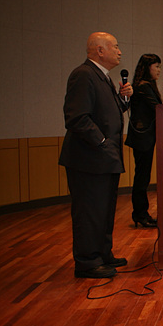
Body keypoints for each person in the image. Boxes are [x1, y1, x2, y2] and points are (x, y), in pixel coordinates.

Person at [59, 32, 133, 278]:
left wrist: (124, 100)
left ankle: (103, 254)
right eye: (116, 46)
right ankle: (88, 262)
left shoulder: (103, 77)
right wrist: (102, 142)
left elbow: (107, 113)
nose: (119, 51)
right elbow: (77, 117)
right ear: (100, 51)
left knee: (104, 209)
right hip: (89, 158)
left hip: (104, 158)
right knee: (89, 211)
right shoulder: (83, 75)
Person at [124, 53, 162, 228]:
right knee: (142, 177)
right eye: (157, 67)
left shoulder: (147, 85)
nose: (159, 71)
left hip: (145, 137)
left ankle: (141, 213)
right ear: (148, 68)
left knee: (142, 176)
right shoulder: (142, 87)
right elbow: (158, 109)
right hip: (142, 138)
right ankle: (140, 214)